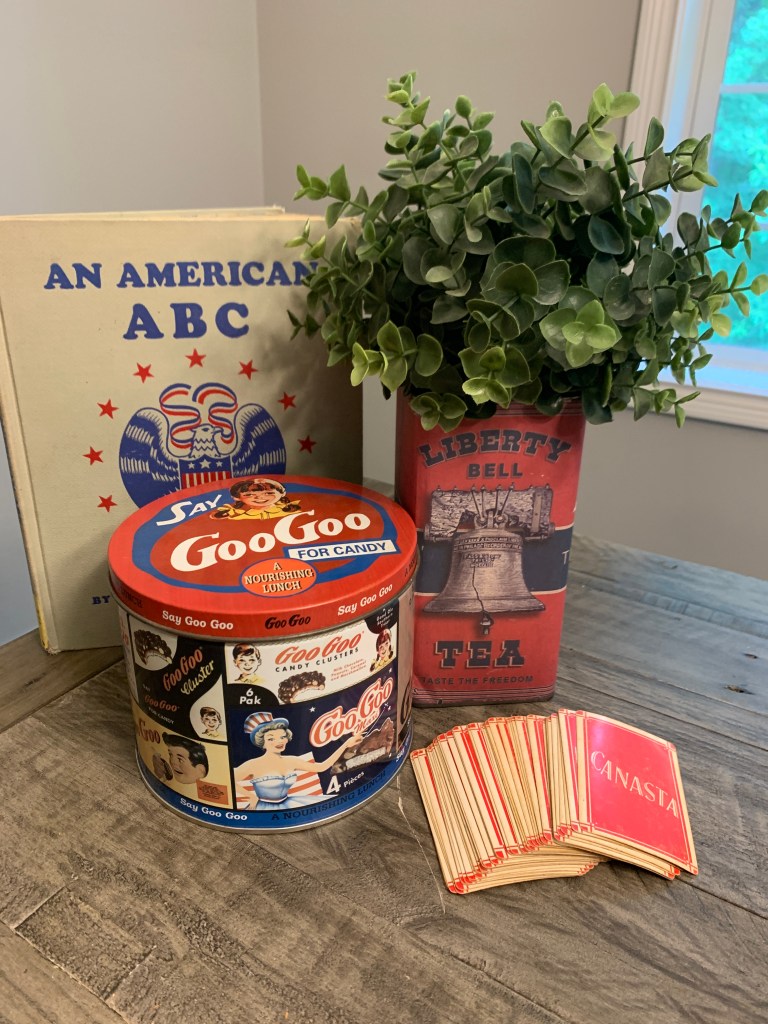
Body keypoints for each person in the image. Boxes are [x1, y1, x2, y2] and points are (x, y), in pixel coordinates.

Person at [234, 712, 363, 811]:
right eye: (271, 739)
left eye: (282, 737)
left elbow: (322, 767)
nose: (279, 741)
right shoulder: (253, 764)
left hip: (291, 804)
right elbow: (228, 780)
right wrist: (250, 796)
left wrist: (346, 744)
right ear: (262, 743)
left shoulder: (291, 760)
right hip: (263, 808)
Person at [211, 477, 300, 521]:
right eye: (249, 494)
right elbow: (216, 516)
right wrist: (224, 513)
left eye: (269, 493)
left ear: (282, 494)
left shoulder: (286, 508)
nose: (260, 497)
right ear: (237, 497)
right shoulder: (239, 513)